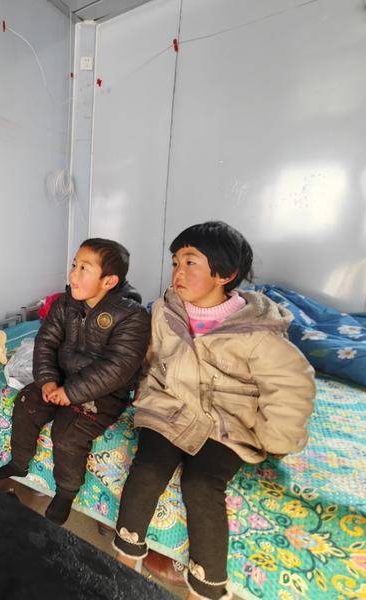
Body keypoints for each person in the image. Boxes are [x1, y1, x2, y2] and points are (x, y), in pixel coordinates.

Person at [113, 221, 315, 600]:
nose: (178, 272)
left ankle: (205, 590)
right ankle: (124, 565)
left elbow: (291, 386)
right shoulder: (165, 311)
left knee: (202, 485)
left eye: (190, 262)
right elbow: (148, 357)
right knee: (147, 470)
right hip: (169, 410)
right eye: (175, 262)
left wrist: (276, 440)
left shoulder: (256, 330)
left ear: (225, 274)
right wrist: (139, 393)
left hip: (227, 421)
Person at [0, 238, 151, 525]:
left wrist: (71, 393)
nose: (73, 274)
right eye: (74, 265)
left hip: (103, 393)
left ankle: (65, 492)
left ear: (109, 281)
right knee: (27, 402)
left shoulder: (132, 316)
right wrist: (48, 381)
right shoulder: (64, 303)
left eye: (84, 268)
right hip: (61, 378)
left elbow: (117, 368)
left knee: (68, 434)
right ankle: (19, 462)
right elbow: (46, 343)